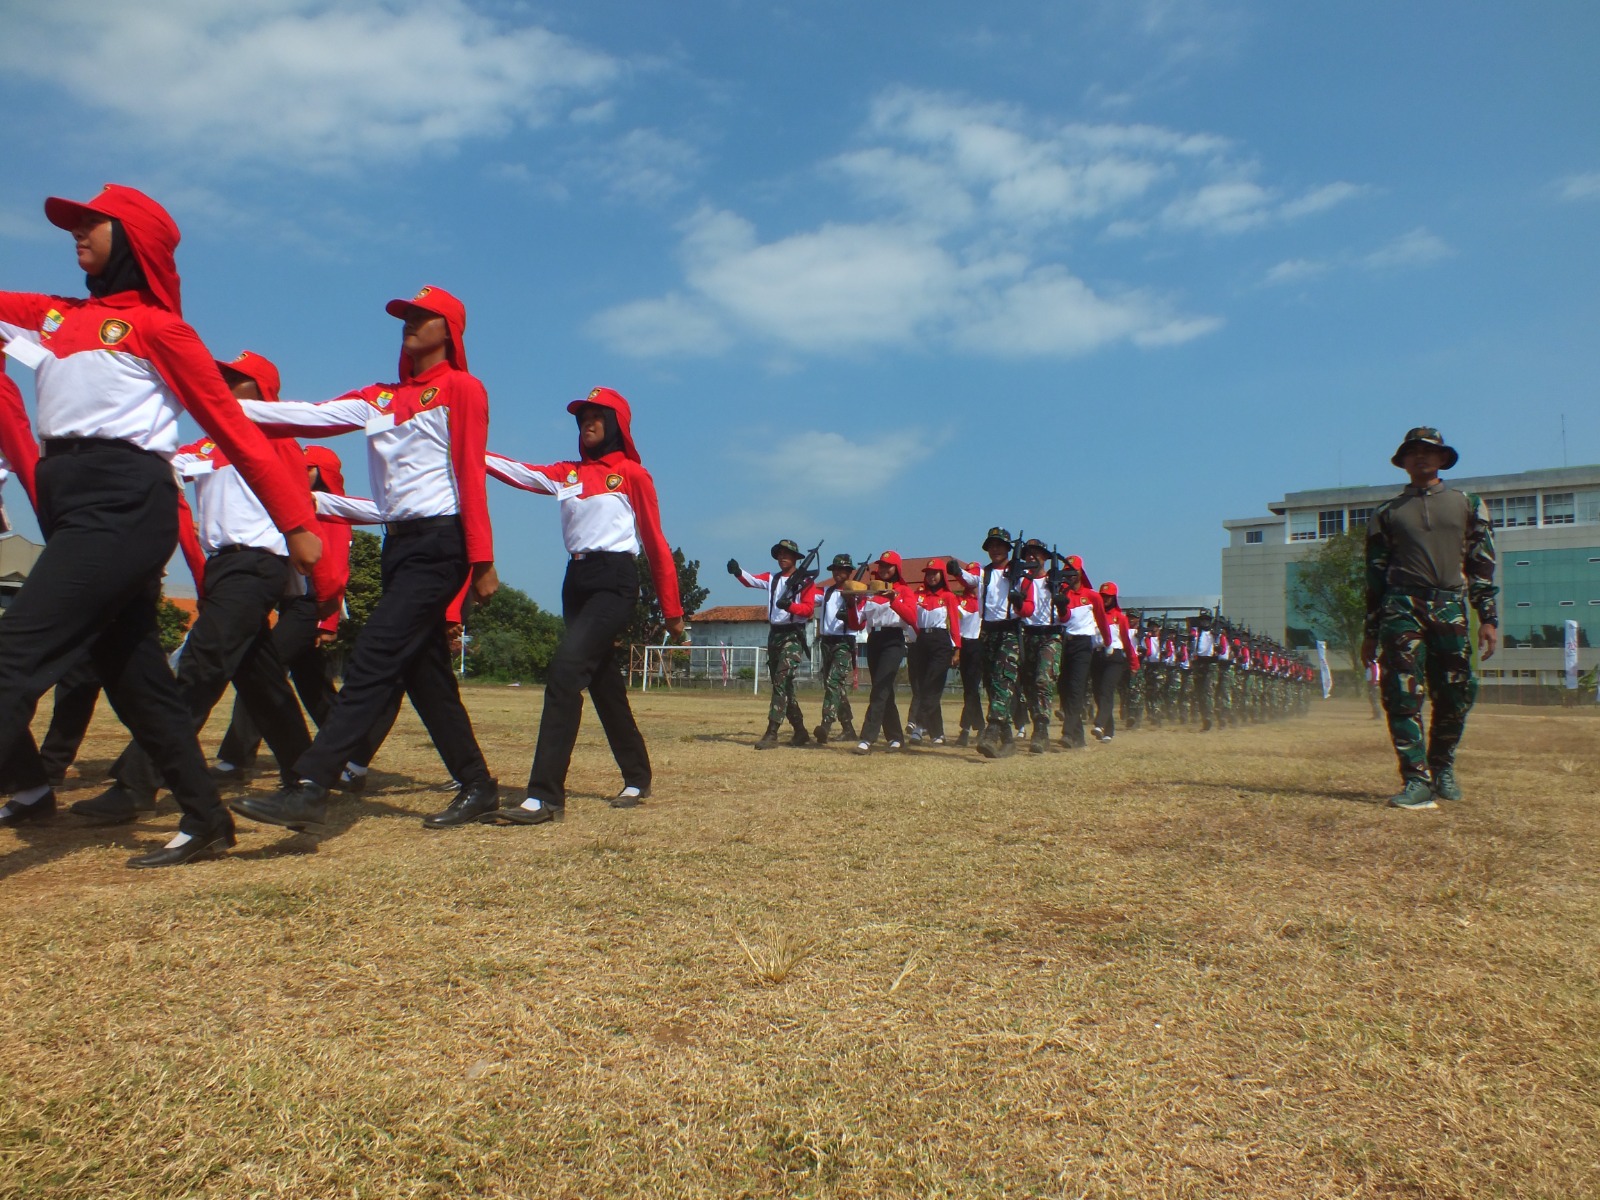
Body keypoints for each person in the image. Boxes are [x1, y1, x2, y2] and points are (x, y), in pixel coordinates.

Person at [0, 185, 320, 864]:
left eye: (91, 223)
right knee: (138, 678)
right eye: (73, 224)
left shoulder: (158, 329)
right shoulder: (52, 316)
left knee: (13, 658)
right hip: (70, 502)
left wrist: (294, 521)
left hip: (124, 504)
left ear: (135, 239)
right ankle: (206, 819)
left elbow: (232, 428)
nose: (75, 233)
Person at [228, 285, 499, 832]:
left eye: (423, 317)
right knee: (427, 680)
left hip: (440, 543)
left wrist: (482, 558)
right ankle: (478, 785)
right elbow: (307, 415)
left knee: (374, 653)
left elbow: (470, 471)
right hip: (399, 544)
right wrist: (221, 404)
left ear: (449, 330)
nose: (410, 324)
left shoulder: (461, 388)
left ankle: (310, 786)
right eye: (405, 316)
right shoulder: (379, 397)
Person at [68, 350, 326, 825]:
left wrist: (312, 583)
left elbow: (300, 513)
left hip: (257, 565)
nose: (223, 383)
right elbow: (167, 467)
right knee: (262, 681)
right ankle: (308, 777)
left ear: (263, 391)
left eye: (235, 378)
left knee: (199, 666)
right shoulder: (210, 446)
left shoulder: (277, 440)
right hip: (224, 570)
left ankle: (137, 783)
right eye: (221, 376)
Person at [478, 388, 685, 824]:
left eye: (597, 416)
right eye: (582, 417)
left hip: (615, 582)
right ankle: (638, 775)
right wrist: (469, 449)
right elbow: (518, 471)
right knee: (604, 684)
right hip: (575, 581)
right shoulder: (566, 474)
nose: (587, 423)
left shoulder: (632, 474)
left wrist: (673, 610)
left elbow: (655, 542)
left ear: (616, 424)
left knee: (565, 674)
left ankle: (545, 796)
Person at [1360, 427, 1498, 810]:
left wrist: (1488, 617)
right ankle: (1416, 779)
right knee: (1402, 693)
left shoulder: (1468, 504)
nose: (1421, 457)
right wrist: (1370, 631)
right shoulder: (1386, 514)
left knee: (1456, 693)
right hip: (1401, 606)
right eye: (1413, 451)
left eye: (1429, 451)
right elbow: (1374, 575)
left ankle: (1442, 767)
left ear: (1442, 458)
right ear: (1403, 461)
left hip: (1450, 604)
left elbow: (1481, 564)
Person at [214, 445, 351, 777]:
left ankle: (235, 758)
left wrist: (327, 621)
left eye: (308, 468)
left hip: (312, 607)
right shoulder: (295, 507)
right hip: (294, 605)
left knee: (260, 674)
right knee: (314, 688)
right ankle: (347, 754)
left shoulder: (332, 511)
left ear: (324, 472)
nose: (300, 473)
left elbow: (336, 568)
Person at [732, 539, 817, 749]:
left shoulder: (806, 582)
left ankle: (772, 733)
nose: (782, 557)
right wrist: (737, 571)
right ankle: (800, 732)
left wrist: (790, 606)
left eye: (786, 554)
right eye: (779, 554)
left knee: (781, 682)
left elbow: (808, 610)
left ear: (796, 558)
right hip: (774, 635)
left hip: (793, 636)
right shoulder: (772, 579)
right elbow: (751, 580)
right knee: (784, 686)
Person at [951, 528, 1023, 759]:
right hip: (988, 631)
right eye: (991, 545)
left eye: (1000, 545)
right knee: (993, 685)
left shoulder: (1018, 572)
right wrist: (956, 571)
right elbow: (968, 578)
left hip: (1010, 630)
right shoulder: (985, 573)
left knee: (1003, 680)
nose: (995, 549)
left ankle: (992, 732)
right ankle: (1008, 739)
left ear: (1008, 548)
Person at [851, 552, 918, 754]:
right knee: (884, 690)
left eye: (889, 566)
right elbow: (856, 623)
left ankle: (867, 738)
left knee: (880, 687)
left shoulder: (904, 591)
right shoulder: (870, 591)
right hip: (874, 640)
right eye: (881, 566)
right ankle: (896, 738)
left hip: (893, 640)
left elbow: (912, 617)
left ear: (897, 568)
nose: (884, 570)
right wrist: (851, 603)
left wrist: (893, 600)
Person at [1055, 558, 1110, 749]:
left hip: (1083, 645)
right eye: (1067, 572)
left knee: (1077, 688)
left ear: (1080, 573)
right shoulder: (1061, 594)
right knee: (1064, 686)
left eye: (1073, 571)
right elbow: (1061, 618)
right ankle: (1077, 735)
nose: (1070, 575)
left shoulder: (1092, 596)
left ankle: (1068, 733)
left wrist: (1107, 642)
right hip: (1064, 643)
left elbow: (1102, 621)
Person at [1013, 540, 1062, 754]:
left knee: (1043, 679)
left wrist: (1061, 598)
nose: (1031, 558)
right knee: (1029, 685)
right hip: (1027, 634)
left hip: (1050, 634)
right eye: (1028, 554)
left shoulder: (1055, 580)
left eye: (1036, 554)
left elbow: (1066, 612)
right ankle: (1036, 723)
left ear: (1045, 558)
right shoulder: (1021, 581)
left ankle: (1041, 728)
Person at [906, 561, 961, 744]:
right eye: (928, 573)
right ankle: (938, 734)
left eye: (935, 573)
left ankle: (919, 724)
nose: (931, 576)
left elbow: (954, 623)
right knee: (924, 687)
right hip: (921, 642)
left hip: (941, 642)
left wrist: (957, 650)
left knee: (932, 683)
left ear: (942, 575)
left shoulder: (948, 596)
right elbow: (910, 615)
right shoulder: (918, 595)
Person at [812, 553, 860, 746]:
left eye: (843, 570)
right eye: (836, 570)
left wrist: (851, 604)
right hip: (827, 641)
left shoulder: (856, 592)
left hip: (844, 641)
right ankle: (848, 729)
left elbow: (859, 616)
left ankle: (826, 724)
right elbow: (808, 596)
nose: (839, 573)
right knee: (835, 687)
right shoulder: (826, 592)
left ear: (849, 572)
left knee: (833, 682)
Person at [1091, 582, 1139, 742]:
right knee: (1099, 693)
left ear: (1114, 598)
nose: (1105, 599)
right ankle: (1108, 731)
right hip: (1097, 656)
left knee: (1106, 689)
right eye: (1102, 596)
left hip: (1115, 658)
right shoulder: (1093, 615)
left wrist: (1133, 663)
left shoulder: (1121, 618)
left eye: (1108, 596)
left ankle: (1098, 724)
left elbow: (1126, 641)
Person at [952, 570, 985, 747]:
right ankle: (980, 727)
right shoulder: (958, 600)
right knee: (969, 690)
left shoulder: (984, 600)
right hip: (963, 645)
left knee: (972, 689)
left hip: (980, 645)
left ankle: (965, 730)